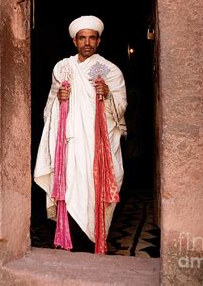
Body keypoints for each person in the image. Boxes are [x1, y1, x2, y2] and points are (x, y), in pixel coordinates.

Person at [34, 15, 127, 253]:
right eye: (82, 38)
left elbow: (121, 108)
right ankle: (71, 239)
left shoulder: (109, 70)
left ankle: (93, 238)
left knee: (97, 186)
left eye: (92, 38)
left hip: (97, 147)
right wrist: (60, 100)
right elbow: (50, 106)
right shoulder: (62, 68)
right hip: (70, 144)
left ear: (99, 41)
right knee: (70, 187)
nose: (87, 43)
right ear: (75, 41)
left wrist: (106, 94)